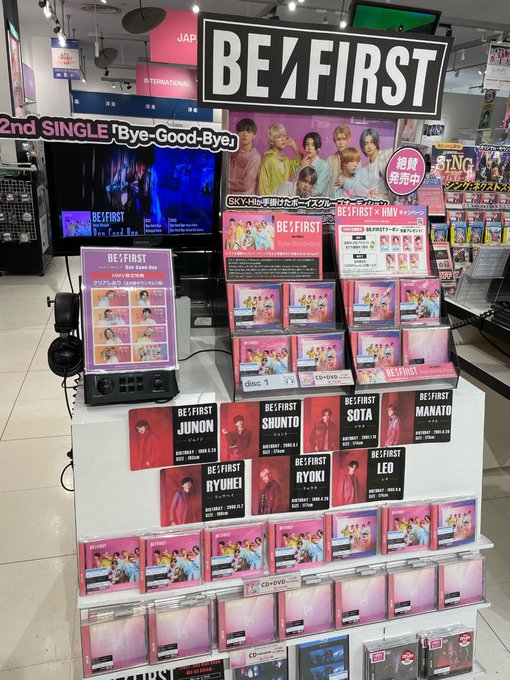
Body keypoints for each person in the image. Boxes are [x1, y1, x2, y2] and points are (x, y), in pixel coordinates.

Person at [107, 147, 163, 225]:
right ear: (138, 160)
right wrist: (127, 189)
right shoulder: (124, 170)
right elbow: (112, 197)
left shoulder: (152, 174)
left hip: (144, 220)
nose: (144, 171)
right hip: (124, 218)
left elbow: (154, 201)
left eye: (147, 167)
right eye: (143, 167)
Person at [258, 123, 303, 195]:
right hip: (272, 200)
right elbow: (263, 186)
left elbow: (298, 165)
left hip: (285, 200)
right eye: (279, 137)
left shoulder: (286, 160)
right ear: (271, 141)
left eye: (284, 136)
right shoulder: (267, 160)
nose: (283, 139)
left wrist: (295, 147)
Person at [228, 118, 261, 195]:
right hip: (229, 198)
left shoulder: (255, 157)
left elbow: (245, 185)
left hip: (244, 200)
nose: (245, 134)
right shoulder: (233, 153)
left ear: (254, 135)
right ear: (237, 133)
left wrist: (225, 182)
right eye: (242, 130)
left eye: (248, 131)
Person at [358, 128, 393, 200]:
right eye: (365, 144)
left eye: (372, 142)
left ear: (376, 142)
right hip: (371, 203)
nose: (369, 146)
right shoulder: (365, 167)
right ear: (363, 147)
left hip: (386, 201)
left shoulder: (386, 154)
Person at [327, 124, 352, 196]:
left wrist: (346, 182)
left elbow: (359, 184)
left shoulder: (354, 159)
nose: (341, 142)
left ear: (349, 140)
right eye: (338, 139)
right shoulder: (330, 159)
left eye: (344, 139)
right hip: (331, 199)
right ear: (335, 140)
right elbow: (327, 184)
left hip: (347, 199)